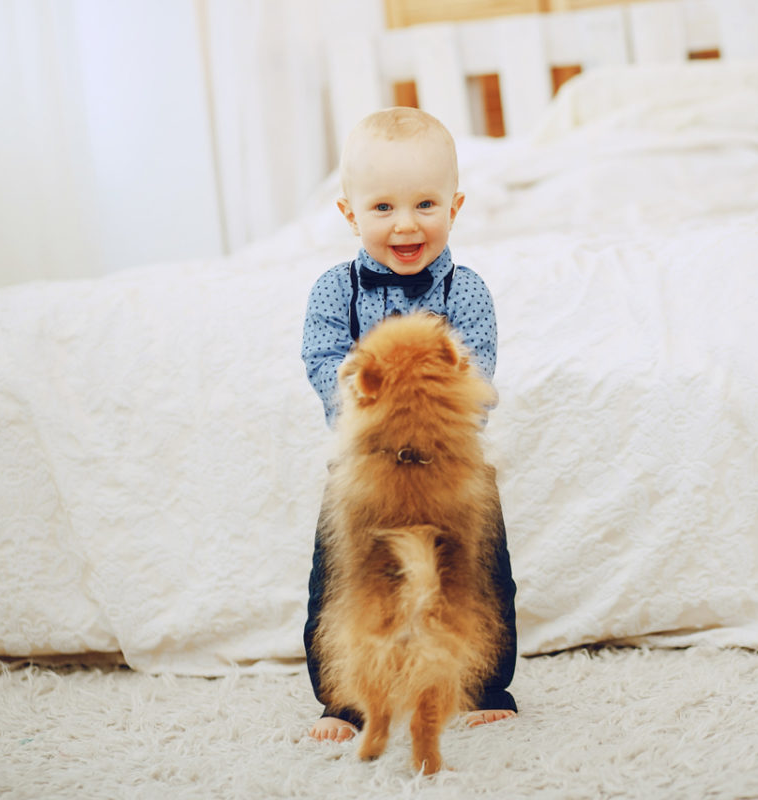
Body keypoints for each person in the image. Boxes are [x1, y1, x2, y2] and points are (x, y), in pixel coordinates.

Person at [300, 107, 518, 742]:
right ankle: (343, 700)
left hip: (452, 470)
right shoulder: (333, 291)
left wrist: (431, 424)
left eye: (426, 204)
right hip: (363, 470)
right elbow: (322, 362)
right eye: (383, 207)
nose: (405, 224)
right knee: (343, 577)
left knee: (479, 570)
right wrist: (364, 414)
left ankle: (484, 684)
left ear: (455, 206)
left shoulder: (467, 292)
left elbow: (477, 382)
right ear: (350, 214)